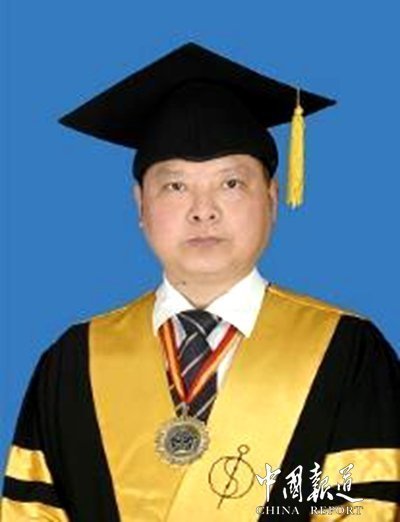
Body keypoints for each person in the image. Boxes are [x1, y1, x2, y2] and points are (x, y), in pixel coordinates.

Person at [1, 42, 399, 522]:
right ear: (140, 206)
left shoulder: (348, 352)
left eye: (231, 184)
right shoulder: (72, 360)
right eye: (175, 186)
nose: (203, 210)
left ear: (271, 199)